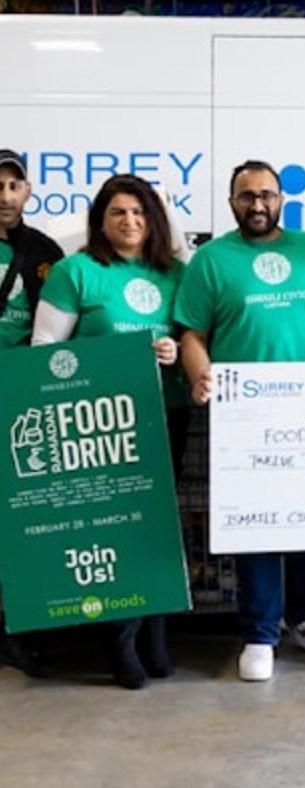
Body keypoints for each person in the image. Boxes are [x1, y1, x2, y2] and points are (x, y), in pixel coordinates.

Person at [174, 159, 305, 683]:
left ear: (281, 200)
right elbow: (192, 335)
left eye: (267, 195)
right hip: (244, 417)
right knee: (255, 524)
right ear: (231, 204)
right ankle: (259, 630)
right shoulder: (212, 261)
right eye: (247, 196)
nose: (258, 205)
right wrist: (200, 376)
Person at [31, 173, 188, 689]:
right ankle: (121, 641)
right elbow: (45, 355)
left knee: (159, 529)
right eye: (119, 212)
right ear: (100, 220)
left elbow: (193, 336)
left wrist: (172, 350)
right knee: (115, 528)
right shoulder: (76, 272)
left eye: (140, 213)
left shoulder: (175, 273)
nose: (131, 222)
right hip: (100, 423)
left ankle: (156, 636)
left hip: (165, 411)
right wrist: (114, 358)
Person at [0, 148, 64, 678]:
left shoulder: (43, 252)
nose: (4, 196)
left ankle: (20, 630)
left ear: (27, 192)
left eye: (13, 186)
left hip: (20, 401)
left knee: (21, 518)